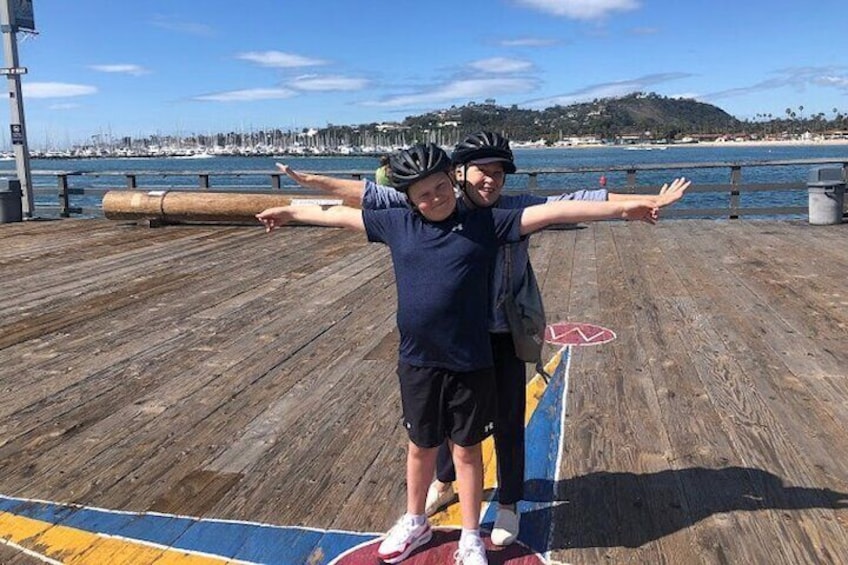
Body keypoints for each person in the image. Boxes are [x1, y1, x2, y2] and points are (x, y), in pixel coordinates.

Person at [271, 133, 690, 547]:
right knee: (438, 422)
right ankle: (444, 480)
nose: (490, 181)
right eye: (481, 172)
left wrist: (638, 204)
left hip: (501, 331)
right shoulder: (430, 202)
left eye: (499, 173)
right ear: (459, 174)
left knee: (507, 418)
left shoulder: (507, 212)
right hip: (450, 339)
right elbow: (367, 198)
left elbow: (575, 202)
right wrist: (309, 185)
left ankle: (508, 502)